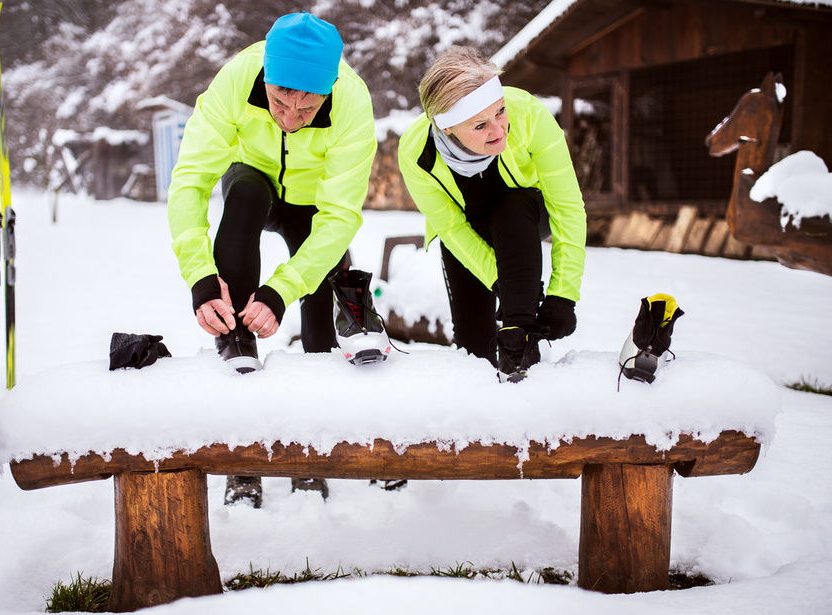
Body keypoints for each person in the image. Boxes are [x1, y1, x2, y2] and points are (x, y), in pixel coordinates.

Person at [168, 12, 377, 506]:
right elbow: (190, 182)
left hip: (314, 205)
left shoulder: (352, 100)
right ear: (266, 76)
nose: (288, 117)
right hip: (254, 179)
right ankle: (241, 461)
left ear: (328, 91)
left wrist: (283, 288)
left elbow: (341, 214)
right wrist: (200, 276)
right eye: (279, 102)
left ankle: (310, 455)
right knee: (240, 200)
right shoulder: (238, 77)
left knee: (319, 303)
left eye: (306, 110)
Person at [397, 46, 586, 382]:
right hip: (465, 234)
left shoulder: (527, 113)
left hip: (525, 218)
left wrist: (563, 294)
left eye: (499, 112)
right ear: (448, 128)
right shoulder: (416, 153)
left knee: (511, 208)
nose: (498, 130)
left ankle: (527, 376)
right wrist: (500, 281)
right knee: (474, 350)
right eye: (480, 125)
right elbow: (452, 228)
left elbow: (567, 205)